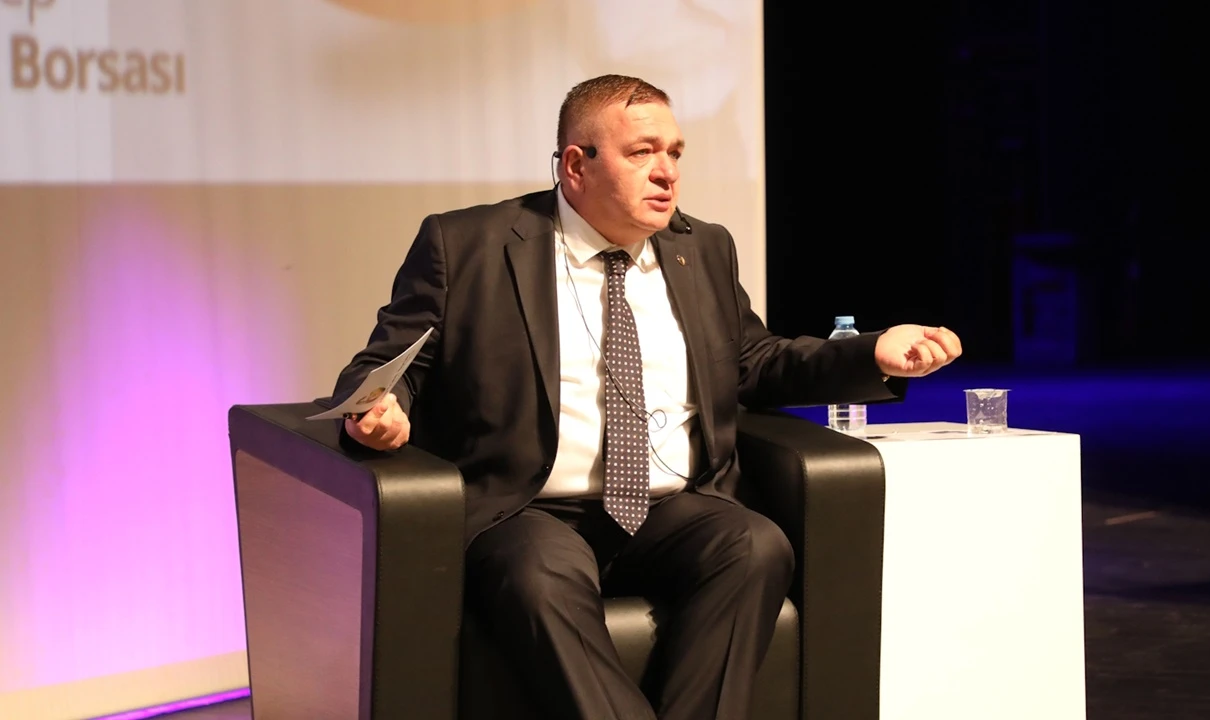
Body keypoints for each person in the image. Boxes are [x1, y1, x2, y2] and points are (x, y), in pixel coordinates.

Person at [333, 74, 962, 720]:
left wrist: (870, 354)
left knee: (755, 544)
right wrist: (377, 410)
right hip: (530, 509)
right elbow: (384, 367)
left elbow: (754, 362)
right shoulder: (469, 245)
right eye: (642, 153)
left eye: (675, 152)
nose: (667, 172)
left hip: (669, 509)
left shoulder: (702, 247)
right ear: (575, 165)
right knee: (537, 573)